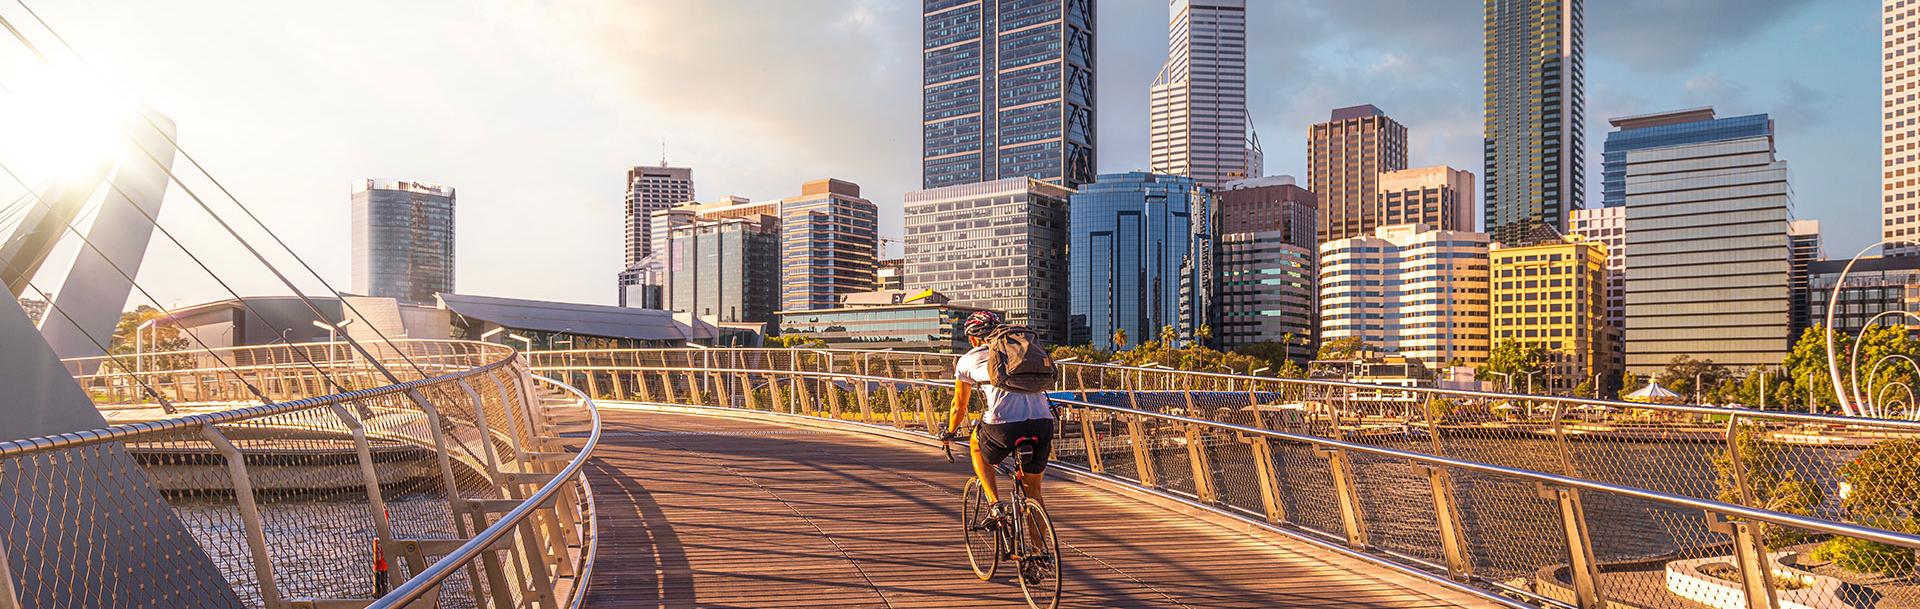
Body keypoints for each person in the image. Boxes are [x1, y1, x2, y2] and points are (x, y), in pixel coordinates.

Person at [941, 310, 1054, 519]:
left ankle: (995, 505)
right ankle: (1040, 550)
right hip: (1042, 423)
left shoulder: (968, 359)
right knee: (1034, 493)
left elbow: (959, 405)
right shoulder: (1021, 352)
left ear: (973, 338)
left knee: (976, 445)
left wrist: (950, 432)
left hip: (1004, 427)